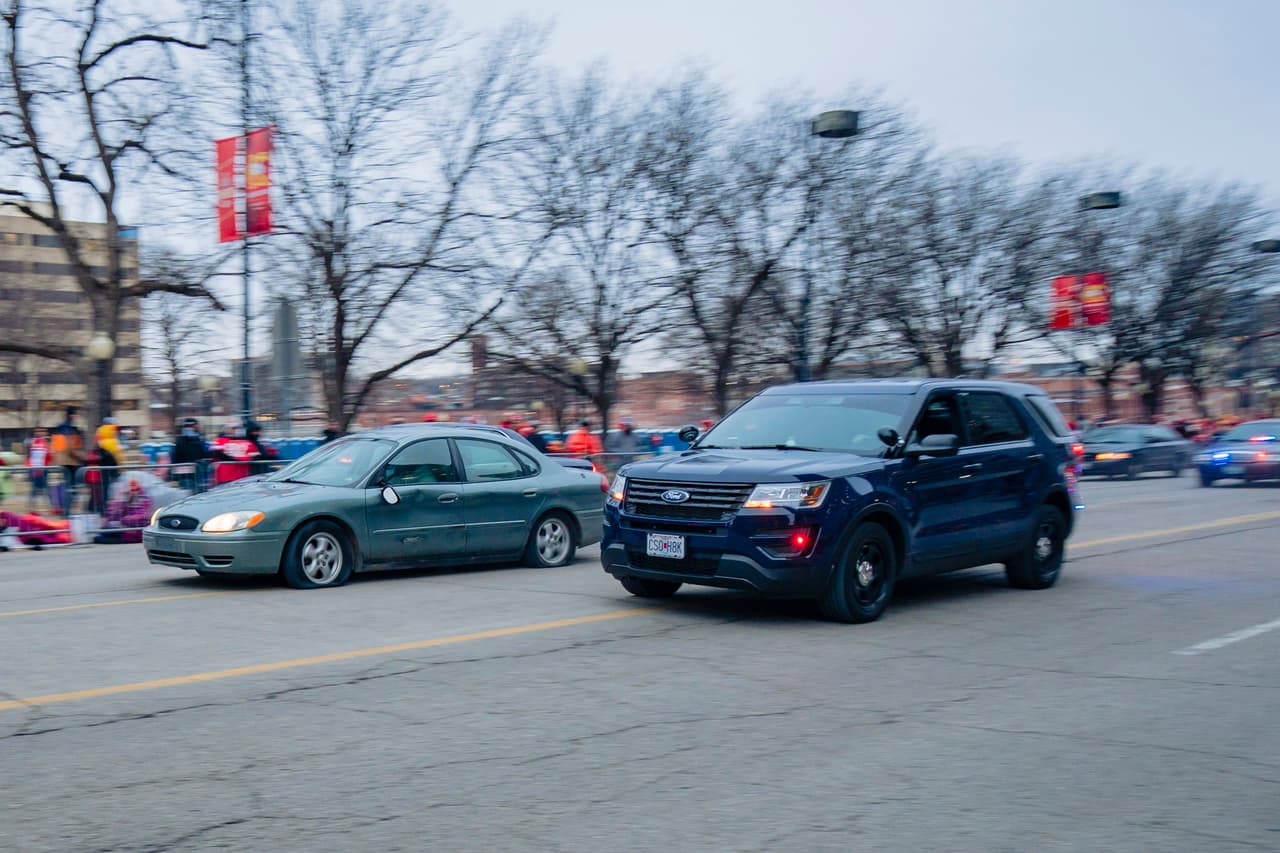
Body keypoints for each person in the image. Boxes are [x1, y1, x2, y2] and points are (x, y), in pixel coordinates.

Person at [94, 476, 154, 544]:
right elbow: (113, 515)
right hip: (124, 530)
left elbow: (143, 516)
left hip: (134, 532)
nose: (133, 492)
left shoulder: (145, 500)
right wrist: (119, 499)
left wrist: (123, 520)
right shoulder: (126, 500)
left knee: (101, 538)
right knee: (101, 534)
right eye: (131, 490)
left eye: (135, 490)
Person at [49, 407, 85, 516]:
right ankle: (67, 511)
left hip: (61, 461)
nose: (77, 417)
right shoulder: (71, 430)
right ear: (71, 416)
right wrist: (82, 458)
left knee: (67, 486)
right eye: (75, 415)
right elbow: (71, 449)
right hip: (72, 462)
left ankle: (65, 510)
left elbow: (54, 447)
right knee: (72, 487)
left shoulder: (58, 429)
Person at [171, 418, 209, 492]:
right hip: (186, 476)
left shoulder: (197, 439)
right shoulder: (181, 441)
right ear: (190, 427)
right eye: (196, 426)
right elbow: (176, 458)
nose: (198, 428)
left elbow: (202, 454)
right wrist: (175, 477)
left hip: (197, 474)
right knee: (190, 494)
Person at [26, 427, 51, 510]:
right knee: (34, 490)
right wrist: (29, 467)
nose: (41, 433)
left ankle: (49, 507)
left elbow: (49, 456)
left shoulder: (46, 443)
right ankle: (31, 508)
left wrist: (48, 445)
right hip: (34, 469)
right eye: (38, 431)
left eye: (43, 431)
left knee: (45, 489)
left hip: (44, 469)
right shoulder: (31, 442)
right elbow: (28, 456)